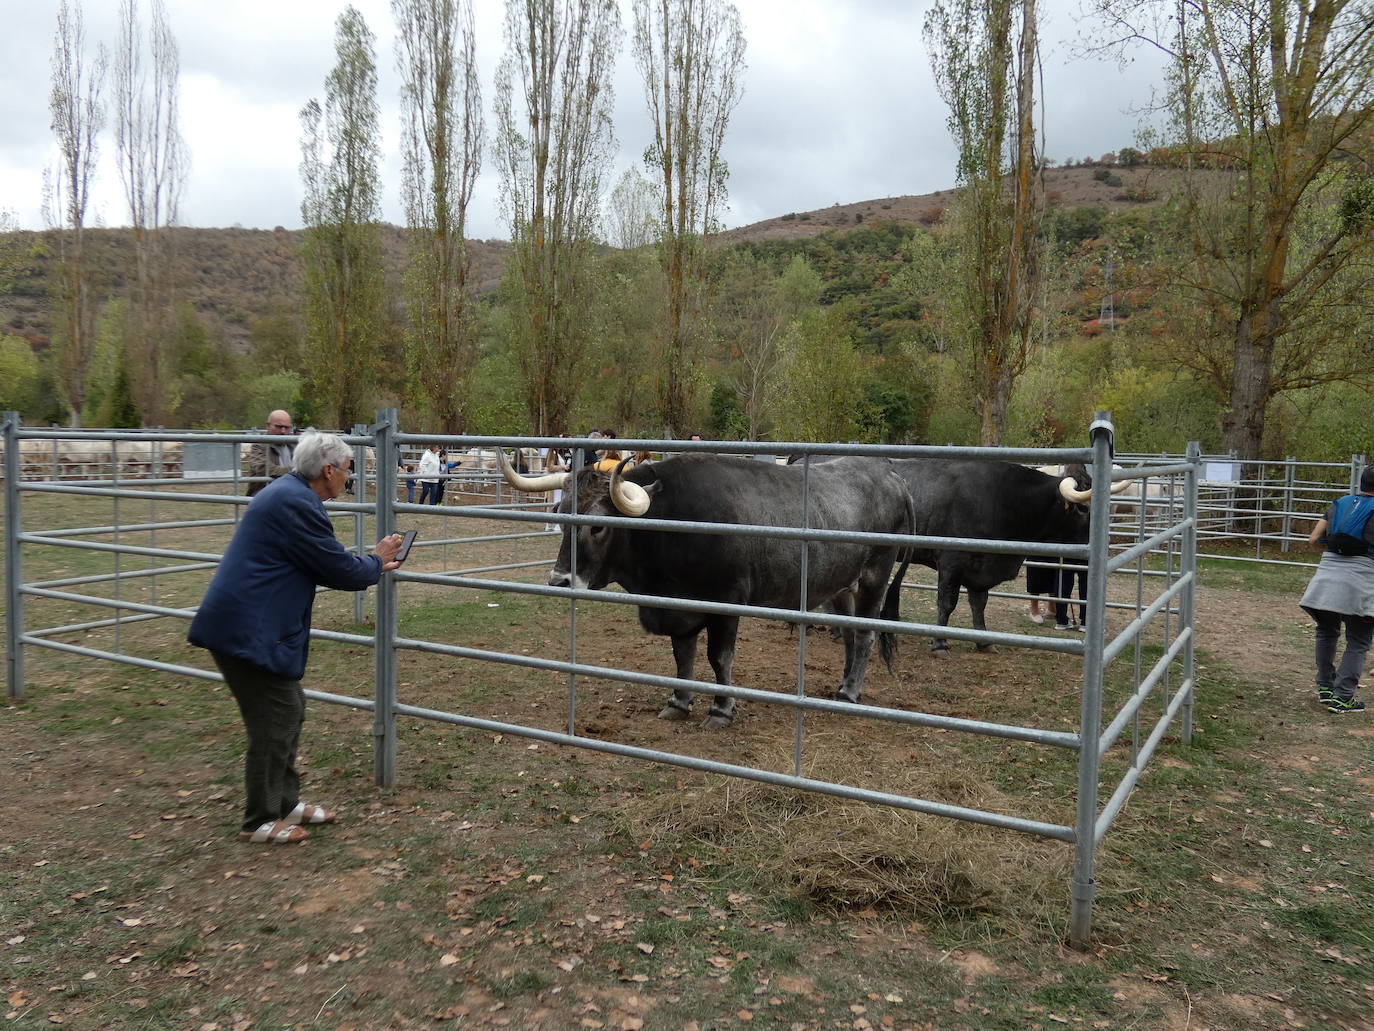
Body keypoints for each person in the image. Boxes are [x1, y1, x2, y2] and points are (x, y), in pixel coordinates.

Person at [188, 432, 405, 844]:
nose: (348, 478)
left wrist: (370, 563)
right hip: (246, 630)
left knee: (289, 709)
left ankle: (285, 803)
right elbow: (337, 569)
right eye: (347, 470)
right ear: (328, 470)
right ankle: (259, 820)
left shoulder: (290, 494)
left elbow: (327, 560)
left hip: (252, 625)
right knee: (275, 720)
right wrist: (375, 560)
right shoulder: (294, 503)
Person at [1299, 466, 1374, 714]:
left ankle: (1325, 688)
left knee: (1326, 631)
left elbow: (1313, 540)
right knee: (1359, 640)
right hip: (1360, 582)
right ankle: (1343, 697)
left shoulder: (1339, 503)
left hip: (1326, 577)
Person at [245, 409, 296, 496]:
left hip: (291, 495)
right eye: (279, 427)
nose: (283, 431)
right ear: (268, 426)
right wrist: (294, 471)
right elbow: (262, 468)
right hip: (264, 496)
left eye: (287, 427)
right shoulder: (259, 445)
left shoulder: (294, 445)